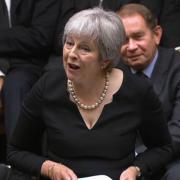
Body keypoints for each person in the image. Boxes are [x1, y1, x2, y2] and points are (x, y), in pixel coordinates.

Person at [7, 7, 172, 180]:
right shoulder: (47, 87)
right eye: (69, 43)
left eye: (84, 48)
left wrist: (136, 169)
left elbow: (162, 148)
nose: (71, 54)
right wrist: (49, 168)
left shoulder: (137, 90)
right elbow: (15, 151)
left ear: (105, 60)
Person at [117, 3, 180, 179]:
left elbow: (178, 129)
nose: (131, 47)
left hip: (172, 156)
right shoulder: (111, 72)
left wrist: (141, 160)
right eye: (123, 40)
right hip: (123, 160)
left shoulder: (177, 66)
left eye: (138, 37)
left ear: (157, 34)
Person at [0, 0, 61, 140]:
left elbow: (40, 37)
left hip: (28, 65)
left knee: (17, 85)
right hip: (7, 62)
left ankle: (18, 157)